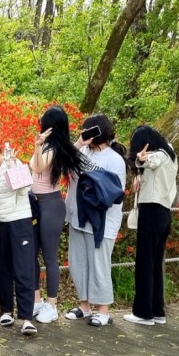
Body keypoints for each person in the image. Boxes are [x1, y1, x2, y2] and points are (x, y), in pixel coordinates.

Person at [64, 114, 127, 327]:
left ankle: (103, 309)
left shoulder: (114, 159)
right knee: (78, 262)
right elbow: (63, 162)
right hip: (78, 216)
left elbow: (114, 192)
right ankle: (84, 305)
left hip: (102, 221)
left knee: (99, 265)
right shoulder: (81, 151)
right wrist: (80, 143)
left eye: (89, 130)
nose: (84, 132)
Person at [29, 106, 88, 324]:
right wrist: (79, 143)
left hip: (51, 205)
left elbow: (38, 167)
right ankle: (36, 300)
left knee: (49, 256)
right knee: (31, 254)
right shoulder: (50, 146)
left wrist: (37, 146)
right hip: (35, 204)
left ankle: (52, 305)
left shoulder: (51, 148)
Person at [123, 126, 178, 326]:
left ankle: (143, 313)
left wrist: (141, 159)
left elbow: (150, 161)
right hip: (164, 213)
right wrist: (139, 174)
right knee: (155, 264)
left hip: (151, 211)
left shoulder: (159, 155)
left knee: (145, 263)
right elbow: (152, 168)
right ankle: (157, 311)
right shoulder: (170, 154)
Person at [0, 133, 38, 336]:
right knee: (4, 268)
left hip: (20, 221)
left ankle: (26, 318)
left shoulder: (15, 163)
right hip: (0, 223)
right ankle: (6, 311)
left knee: (23, 268)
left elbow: (25, 188)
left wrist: (11, 166)